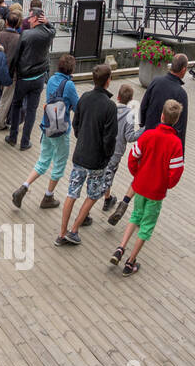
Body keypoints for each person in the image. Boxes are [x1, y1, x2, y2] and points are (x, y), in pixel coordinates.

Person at [110, 100, 184, 277]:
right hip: (156, 191)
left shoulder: (148, 135)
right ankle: (130, 262)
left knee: (135, 216)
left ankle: (121, 248)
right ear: (176, 120)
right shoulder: (175, 144)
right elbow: (176, 172)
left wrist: (138, 174)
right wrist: (165, 184)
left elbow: (133, 157)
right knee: (147, 225)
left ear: (162, 116)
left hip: (140, 185)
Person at [55, 64, 117, 247]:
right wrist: (107, 156)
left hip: (80, 155)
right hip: (97, 160)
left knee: (72, 192)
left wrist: (81, 138)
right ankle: (74, 229)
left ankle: (61, 232)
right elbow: (110, 137)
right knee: (93, 193)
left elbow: (76, 123)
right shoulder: (110, 106)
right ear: (108, 81)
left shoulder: (84, 98)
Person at [11, 54, 79, 210]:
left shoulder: (52, 80)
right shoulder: (68, 85)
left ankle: (24, 186)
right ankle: (48, 196)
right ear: (71, 69)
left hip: (46, 126)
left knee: (43, 160)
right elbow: (77, 106)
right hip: (60, 130)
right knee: (59, 164)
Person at [5, 7, 55, 151]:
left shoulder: (26, 34)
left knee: (17, 105)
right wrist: (48, 23)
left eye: (30, 17)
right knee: (32, 110)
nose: (27, 19)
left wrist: (10, 73)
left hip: (24, 77)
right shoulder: (48, 34)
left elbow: (17, 55)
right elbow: (53, 31)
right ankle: (25, 142)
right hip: (39, 77)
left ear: (35, 18)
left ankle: (13, 137)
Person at [101, 84, 140, 220]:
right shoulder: (130, 114)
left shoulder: (109, 107)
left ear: (117, 97)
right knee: (108, 176)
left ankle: (107, 198)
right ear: (131, 100)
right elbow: (130, 137)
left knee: (104, 174)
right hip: (116, 152)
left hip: (102, 148)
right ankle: (105, 200)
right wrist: (143, 130)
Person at [138, 52, 189, 148]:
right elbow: (181, 127)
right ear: (183, 69)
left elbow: (143, 106)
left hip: (149, 136)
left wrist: (143, 126)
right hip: (165, 144)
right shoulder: (181, 94)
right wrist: (180, 154)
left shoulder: (156, 81)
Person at [0, 11, 22, 130]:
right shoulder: (19, 38)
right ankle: (0, 123)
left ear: (6, 22)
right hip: (12, 73)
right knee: (6, 99)